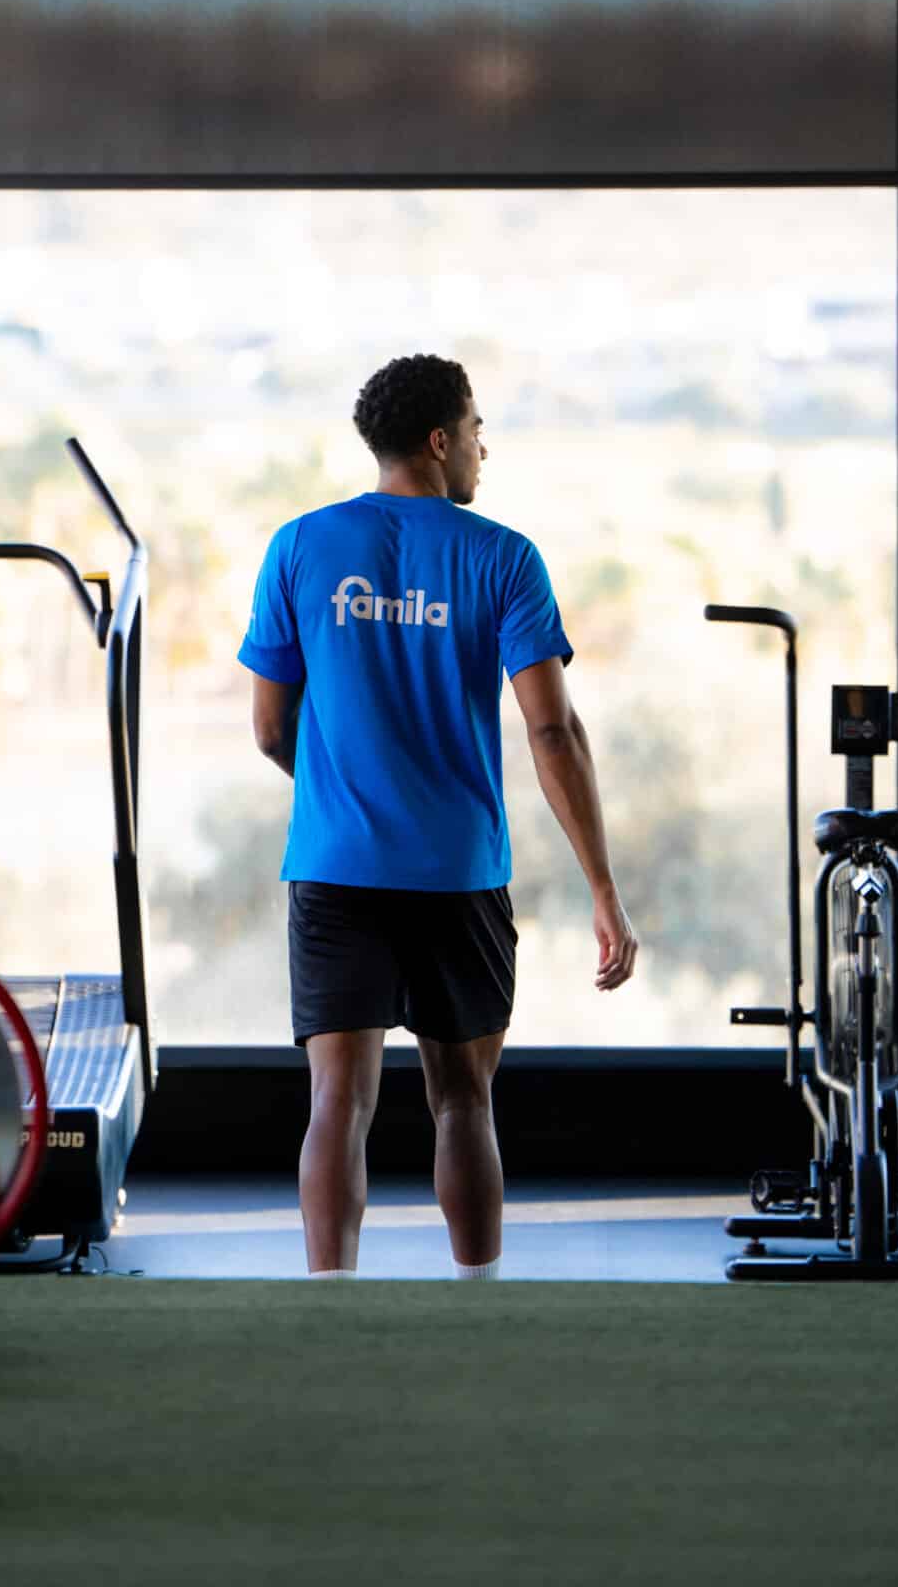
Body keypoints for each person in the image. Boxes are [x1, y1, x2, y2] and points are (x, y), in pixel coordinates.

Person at [238, 352, 638, 1280]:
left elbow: (269, 729)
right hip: (458, 872)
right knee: (463, 1101)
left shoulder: (299, 545)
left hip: (336, 865)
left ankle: (330, 1305)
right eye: (475, 431)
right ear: (438, 441)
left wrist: (343, 786)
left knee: (338, 1102)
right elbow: (552, 730)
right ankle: (479, 1301)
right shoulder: (503, 556)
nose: (482, 450)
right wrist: (603, 887)